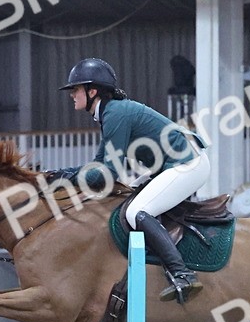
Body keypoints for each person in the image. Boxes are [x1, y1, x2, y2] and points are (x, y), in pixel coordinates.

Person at [48, 58, 210, 304]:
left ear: (93, 91)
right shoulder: (110, 114)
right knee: (128, 199)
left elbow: (109, 173)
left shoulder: (115, 113)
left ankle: (182, 274)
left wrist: (68, 178)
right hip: (172, 165)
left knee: (138, 211)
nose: (72, 95)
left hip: (187, 163)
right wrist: (61, 174)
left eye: (76, 89)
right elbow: (99, 164)